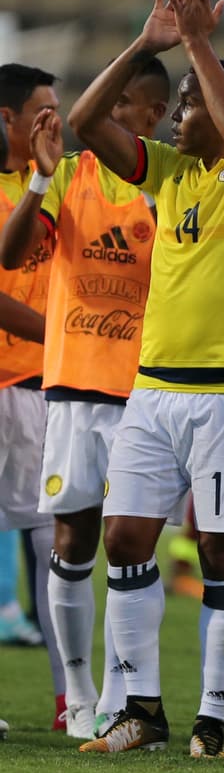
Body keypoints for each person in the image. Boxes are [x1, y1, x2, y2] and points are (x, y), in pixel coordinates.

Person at [70, 0, 224, 759]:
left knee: (222, 553)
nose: (174, 117)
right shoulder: (168, 179)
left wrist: (201, 41)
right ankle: (141, 709)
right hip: (154, 392)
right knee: (126, 540)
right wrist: (149, 41)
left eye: (187, 104)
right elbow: (83, 119)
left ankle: (212, 717)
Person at [0, 56, 170, 740]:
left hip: (145, 392)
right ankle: (77, 696)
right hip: (69, 389)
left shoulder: (172, 184)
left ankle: (129, 698)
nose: (85, 119)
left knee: (131, 544)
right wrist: (40, 178)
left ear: (148, 114)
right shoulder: (68, 174)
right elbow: (11, 258)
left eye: (111, 104)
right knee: (69, 542)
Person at [0, 63, 64, 729]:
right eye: (43, 110)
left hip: (48, 391)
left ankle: (68, 699)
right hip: (4, 387)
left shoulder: (57, 181)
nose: (56, 119)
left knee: (59, 550)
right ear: (7, 119)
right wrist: (65, 335)